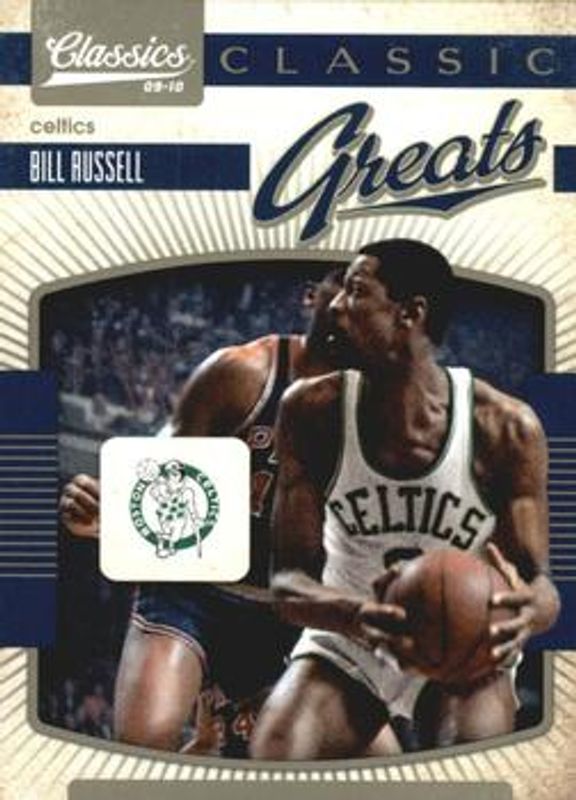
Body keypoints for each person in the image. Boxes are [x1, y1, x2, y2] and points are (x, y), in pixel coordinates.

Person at [60, 267, 398, 756]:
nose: (349, 303)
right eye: (340, 284)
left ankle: (212, 742)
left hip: (289, 614)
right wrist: (110, 519)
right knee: (145, 740)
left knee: (385, 763)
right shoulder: (243, 373)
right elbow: (162, 476)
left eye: (364, 293)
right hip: (194, 592)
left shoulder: (383, 415)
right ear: (311, 295)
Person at [250, 239, 561, 760]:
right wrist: (360, 615)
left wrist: (529, 614)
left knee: (472, 760)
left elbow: (540, 586)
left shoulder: (506, 428)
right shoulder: (310, 410)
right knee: (278, 752)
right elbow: (287, 585)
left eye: (355, 291)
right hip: (351, 636)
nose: (335, 305)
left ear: (410, 313)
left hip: (467, 643)